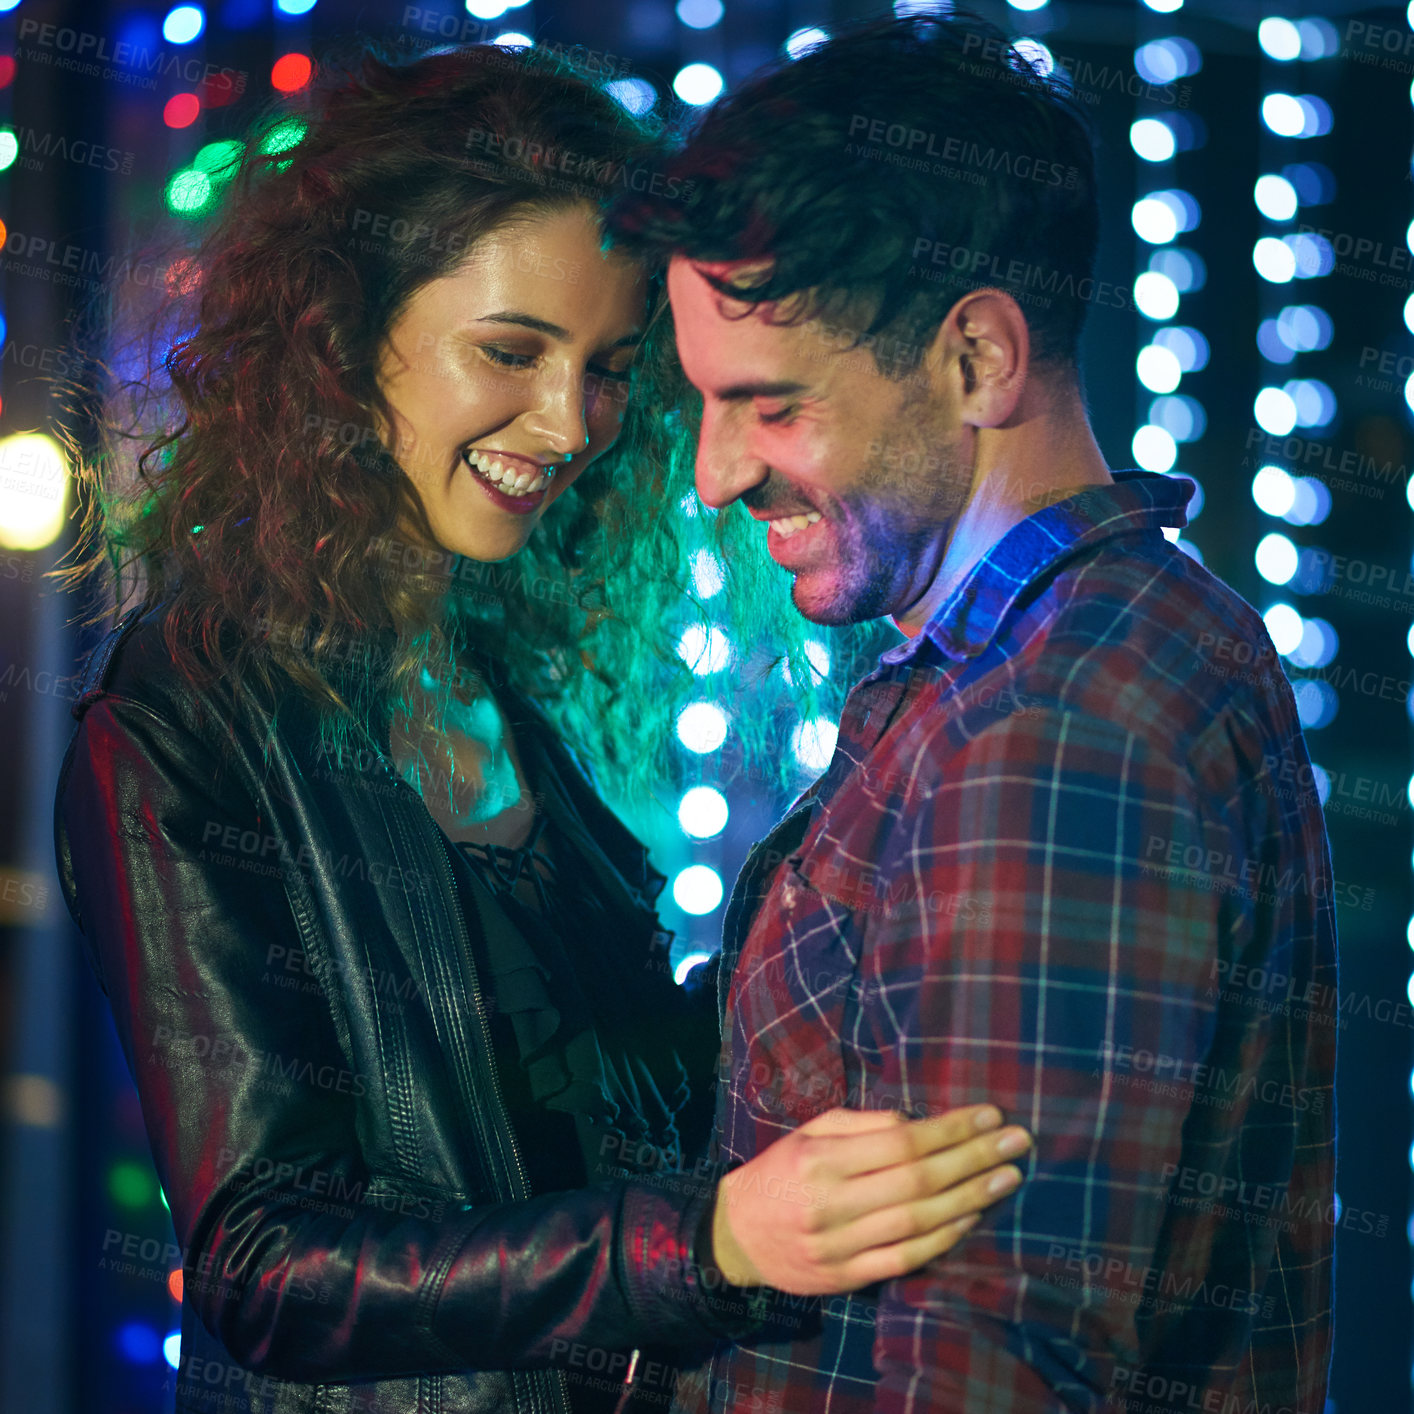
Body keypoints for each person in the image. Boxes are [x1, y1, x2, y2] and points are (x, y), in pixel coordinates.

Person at [52, 42, 1033, 1414]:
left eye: (611, 367)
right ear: (341, 340)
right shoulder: (182, 720)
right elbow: (267, 1265)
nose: (572, 422)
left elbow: (605, 1092)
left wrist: (854, 909)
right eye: (509, 351)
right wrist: (711, 1240)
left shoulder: (494, 670)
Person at [611, 13, 1337, 1414]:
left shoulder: (1055, 720)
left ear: (977, 359)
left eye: (767, 405)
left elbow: (991, 1358)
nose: (709, 473)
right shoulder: (1062, 657)